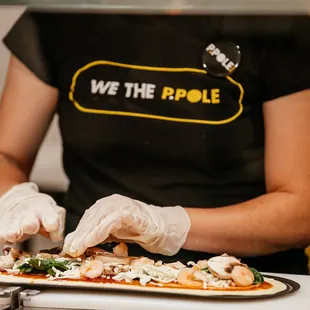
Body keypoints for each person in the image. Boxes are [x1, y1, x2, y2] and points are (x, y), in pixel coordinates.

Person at [0, 11, 309, 274]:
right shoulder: (59, 16)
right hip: (89, 276)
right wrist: (16, 198)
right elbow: (6, 155)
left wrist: (168, 224)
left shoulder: (276, 20)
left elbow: (300, 211)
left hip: (242, 280)